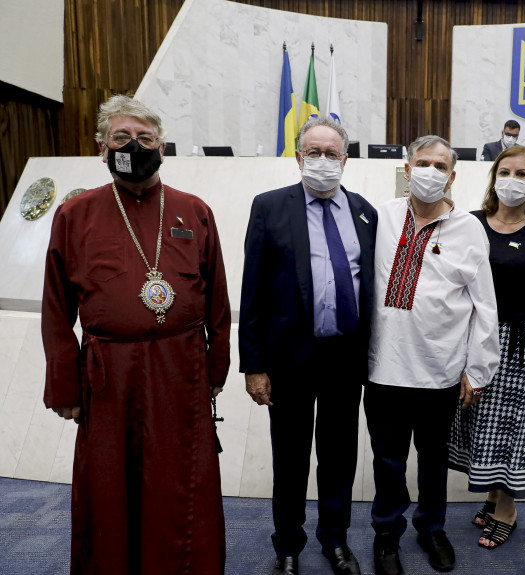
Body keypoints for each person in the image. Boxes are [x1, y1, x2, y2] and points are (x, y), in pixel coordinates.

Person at [42, 94, 231, 574]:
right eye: (121, 137)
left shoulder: (195, 210)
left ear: (162, 147)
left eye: (144, 138)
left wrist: (217, 366)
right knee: (109, 487)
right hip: (109, 376)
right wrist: (65, 384)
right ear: (102, 147)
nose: (133, 145)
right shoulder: (76, 215)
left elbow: (219, 302)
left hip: (181, 371)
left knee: (180, 482)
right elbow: (56, 308)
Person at [239, 116, 377, 575]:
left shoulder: (364, 212)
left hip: (345, 358)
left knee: (338, 457)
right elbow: (252, 292)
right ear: (298, 157)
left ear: (345, 159)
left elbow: (368, 287)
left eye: (331, 153)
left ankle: (334, 540)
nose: (321, 161)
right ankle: (288, 546)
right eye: (312, 152)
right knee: (291, 458)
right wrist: (253, 365)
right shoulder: (269, 207)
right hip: (288, 360)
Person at [366, 135, 500, 575]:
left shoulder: (469, 229)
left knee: (433, 460)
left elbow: (485, 306)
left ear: (453, 176)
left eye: (440, 166)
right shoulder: (379, 217)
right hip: (383, 368)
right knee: (387, 462)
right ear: (407, 168)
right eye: (422, 162)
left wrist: (476, 370)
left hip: (440, 371)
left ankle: (431, 527)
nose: (430, 171)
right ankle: (387, 534)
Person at [447, 145, 525, 549]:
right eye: (505, 172)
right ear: (493, 177)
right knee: (480, 420)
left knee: (514, 426)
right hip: (475, 336)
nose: (512, 180)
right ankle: (494, 494)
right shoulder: (470, 222)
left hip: (523, 342)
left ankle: (507, 511)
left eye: (521, 174)